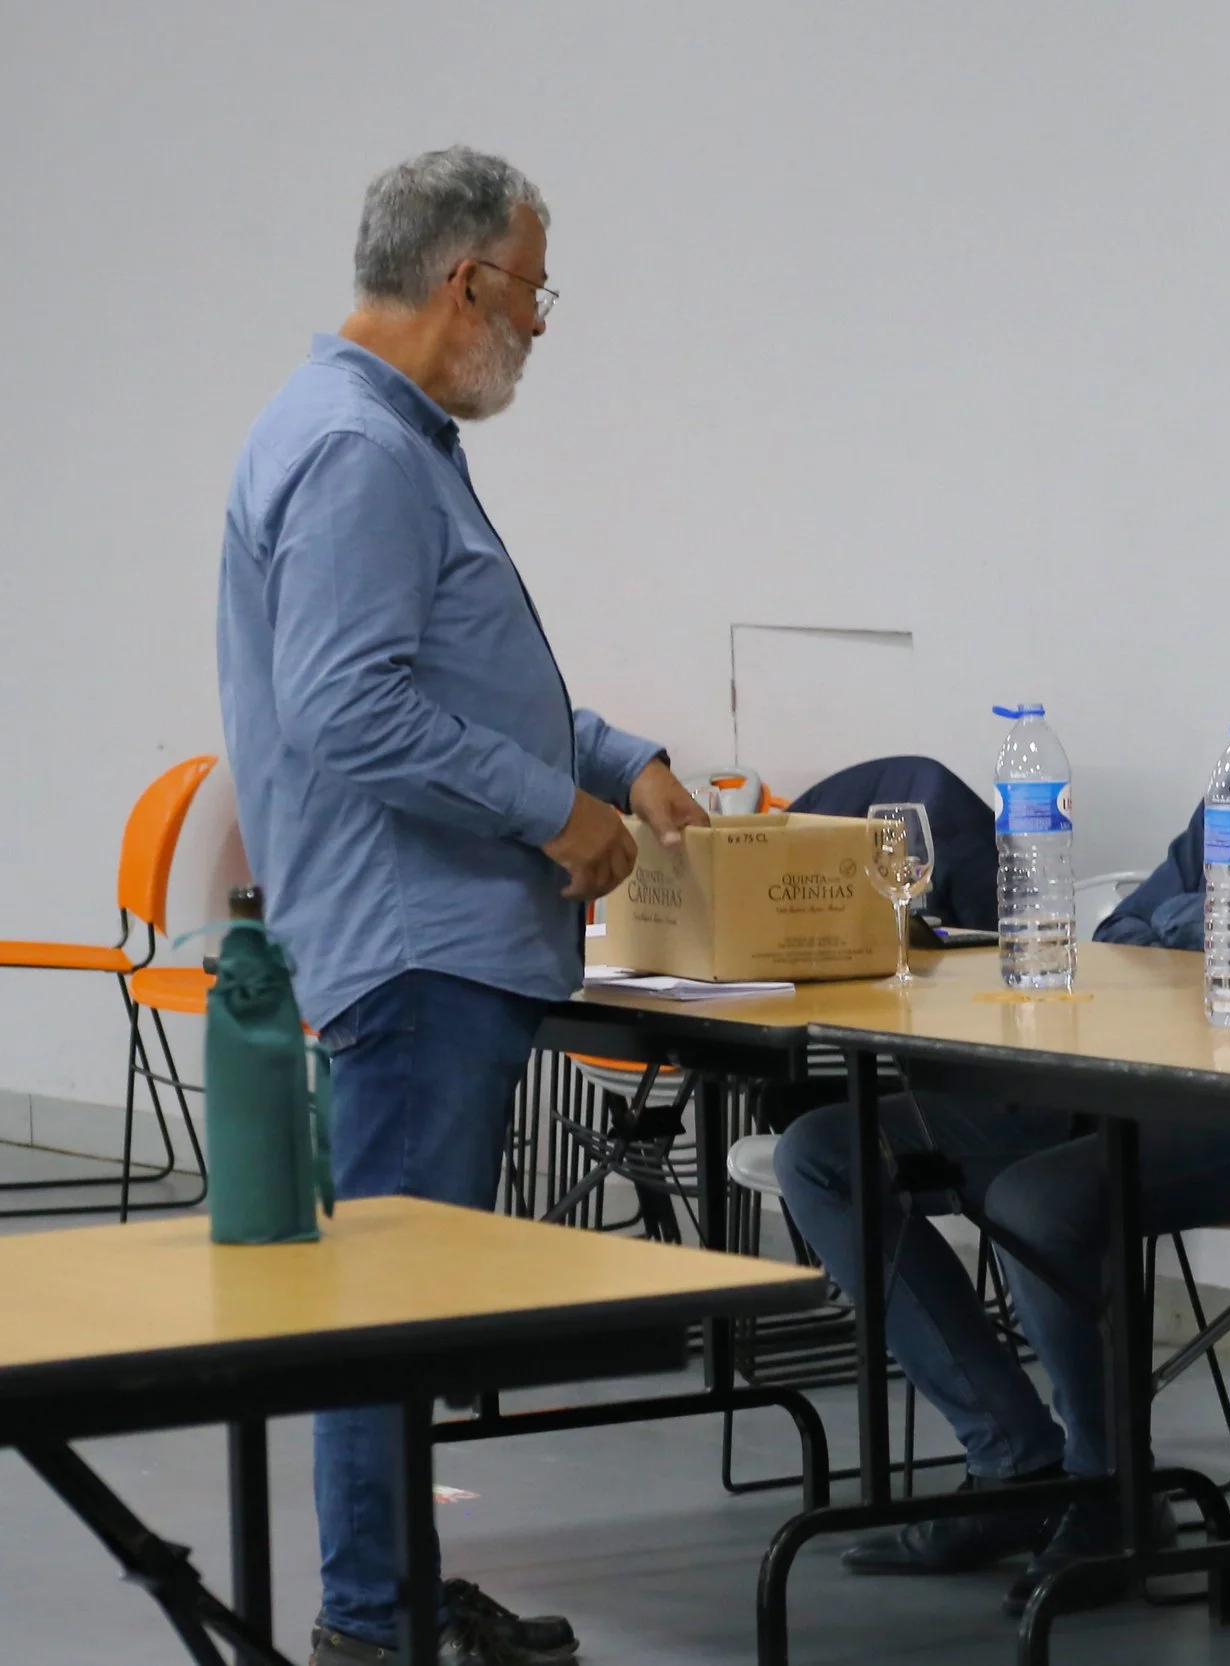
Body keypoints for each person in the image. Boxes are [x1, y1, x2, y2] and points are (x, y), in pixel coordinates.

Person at [772, 500, 1230, 1614]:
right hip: (1154, 1078)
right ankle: (1017, 1462)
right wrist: (1200, 916)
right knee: (826, 1149)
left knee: (1040, 1198)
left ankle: (1111, 1492)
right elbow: (1156, 918)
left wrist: (1201, 916)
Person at [218, 147, 708, 1666]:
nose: (544, 322)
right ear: (467, 280)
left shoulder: (379, 437)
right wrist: (555, 809)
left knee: (409, 1300)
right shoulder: (361, 451)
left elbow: (461, 679)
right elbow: (351, 707)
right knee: (391, 1304)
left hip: (433, 939)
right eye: (538, 286)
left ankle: (401, 1593)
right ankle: (373, 1620)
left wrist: (628, 763)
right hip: (418, 945)